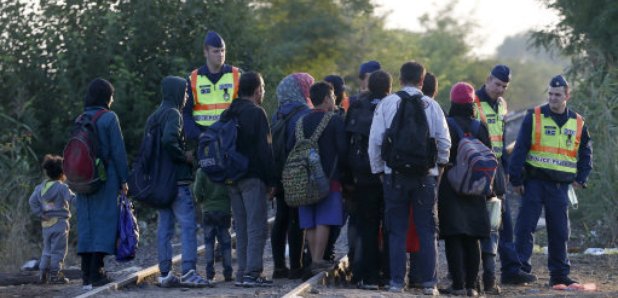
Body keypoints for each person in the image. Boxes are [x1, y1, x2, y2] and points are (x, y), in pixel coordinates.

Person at [368, 61, 451, 295]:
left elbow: (375, 142)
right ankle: (428, 284)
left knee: (396, 230)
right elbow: (444, 142)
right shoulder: (432, 105)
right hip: (425, 177)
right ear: (422, 81)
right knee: (427, 230)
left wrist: (379, 171)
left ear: (401, 78)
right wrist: (439, 168)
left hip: (394, 176)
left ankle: (396, 282)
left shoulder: (387, 104)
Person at [509, 75, 592, 287]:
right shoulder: (534, 116)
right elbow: (520, 149)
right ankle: (520, 270)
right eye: (550, 94)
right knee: (525, 228)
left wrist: (582, 178)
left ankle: (560, 275)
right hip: (534, 183)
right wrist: (516, 178)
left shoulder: (578, 122)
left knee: (560, 231)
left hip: (560, 187)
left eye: (558, 95)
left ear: (567, 95)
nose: (553, 98)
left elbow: (585, 153)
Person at [474, 65, 535, 292]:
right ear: (488, 79)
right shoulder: (473, 102)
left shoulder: (501, 105)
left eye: (504, 87)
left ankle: (511, 270)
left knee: (504, 220)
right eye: (498, 84)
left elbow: (502, 136)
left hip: (498, 166)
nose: (500, 90)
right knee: (478, 218)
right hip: (477, 167)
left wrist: (507, 170)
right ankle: (471, 273)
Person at [152, 76, 210, 288]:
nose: (187, 96)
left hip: (160, 183)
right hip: (177, 180)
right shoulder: (175, 115)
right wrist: (182, 156)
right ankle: (188, 271)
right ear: (177, 93)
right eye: (185, 92)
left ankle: (165, 273)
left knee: (164, 228)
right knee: (188, 226)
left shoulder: (155, 115)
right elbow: (169, 140)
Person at [439, 82, 492, 297]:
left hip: (451, 187)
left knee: (454, 235)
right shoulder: (480, 127)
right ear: (472, 104)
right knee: (473, 237)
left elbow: (443, 153)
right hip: (476, 188)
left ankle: (458, 285)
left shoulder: (447, 124)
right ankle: (472, 286)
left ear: (453, 102)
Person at [75, 78, 129, 290]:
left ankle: (86, 274)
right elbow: (118, 152)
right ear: (106, 97)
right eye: (111, 95)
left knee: (87, 223)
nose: (113, 99)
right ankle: (97, 272)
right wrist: (124, 179)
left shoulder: (80, 118)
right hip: (105, 177)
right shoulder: (109, 118)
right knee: (105, 222)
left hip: (82, 178)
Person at [224, 71, 276, 287]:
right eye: (262, 88)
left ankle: (242, 272)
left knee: (242, 227)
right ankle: (252, 274)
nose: (262, 92)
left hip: (231, 179)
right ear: (257, 90)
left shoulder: (228, 113)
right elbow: (266, 150)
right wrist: (272, 181)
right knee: (257, 227)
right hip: (252, 177)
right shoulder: (257, 113)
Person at [345, 70, 392, 290]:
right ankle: (391, 274)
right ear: (389, 88)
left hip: (363, 176)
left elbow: (347, 142)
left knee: (368, 227)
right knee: (392, 226)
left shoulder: (356, 105)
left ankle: (368, 276)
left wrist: (348, 179)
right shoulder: (395, 104)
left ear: (369, 86)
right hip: (390, 175)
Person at [296, 82, 347, 275]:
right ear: (326, 99)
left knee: (309, 219)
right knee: (324, 219)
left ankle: (313, 257)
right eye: (333, 96)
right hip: (329, 178)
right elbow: (342, 150)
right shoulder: (334, 120)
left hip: (304, 178)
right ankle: (317, 259)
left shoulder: (301, 121)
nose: (334, 100)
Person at [270, 73, 314, 280]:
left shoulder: (277, 114)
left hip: (278, 174)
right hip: (297, 174)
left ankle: (279, 266)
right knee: (297, 219)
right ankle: (296, 266)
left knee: (281, 217)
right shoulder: (304, 113)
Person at [183, 31, 241, 142]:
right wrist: (199, 136)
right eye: (216, 51)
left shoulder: (237, 75)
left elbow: (247, 108)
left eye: (223, 50)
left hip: (231, 137)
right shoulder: (193, 78)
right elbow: (185, 114)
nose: (221, 54)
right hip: (202, 138)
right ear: (206, 52)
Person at [29, 154, 75, 284]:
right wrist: (85, 200)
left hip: (46, 224)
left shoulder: (40, 188)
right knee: (58, 250)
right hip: (60, 223)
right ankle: (55, 275)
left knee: (47, 249)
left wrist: (40, 213)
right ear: (62, 173)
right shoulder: (62, 188)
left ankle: (42, 273)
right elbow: (73, 199)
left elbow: (32, 201)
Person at [193, 167, 233, 283]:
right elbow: (231, 186)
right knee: (225, 243)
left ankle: (210, 274)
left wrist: (202, 201)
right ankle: (228, 273)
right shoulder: (225, 167)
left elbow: (197, 191)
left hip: (208, 211)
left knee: (209, 243)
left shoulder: (202, 170)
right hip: (224, 210)